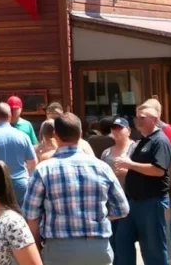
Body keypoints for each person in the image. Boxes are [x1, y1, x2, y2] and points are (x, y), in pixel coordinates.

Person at [21, 113, 128, 265]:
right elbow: (122, 209)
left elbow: (31, 215)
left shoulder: (44, 169)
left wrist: (37, 247)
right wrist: (97, 215)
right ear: (80, 134)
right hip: (98, 247)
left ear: (55, 136)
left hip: (59, 249)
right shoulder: (102, 167)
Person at [114, 102, 171, 265]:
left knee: (153, 249)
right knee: (122, 242)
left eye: (142, 117)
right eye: (136, 117)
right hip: (133, 202)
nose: (138, 121)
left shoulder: (160, 141)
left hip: (152, 202)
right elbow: (141, 169)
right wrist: (129, 170)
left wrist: (130, 165)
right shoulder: (142, 141)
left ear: (154, 119)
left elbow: (158, 170)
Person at [0, 103, 36, 207]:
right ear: (10, 117)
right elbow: (32, 162)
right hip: (19, 183)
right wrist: (27, 177)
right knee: (20, 214)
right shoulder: (23, 136)